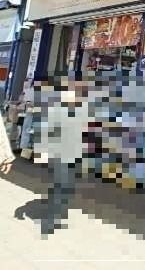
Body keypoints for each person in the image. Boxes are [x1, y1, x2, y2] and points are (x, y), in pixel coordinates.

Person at [34, 78, 92, 236]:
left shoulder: (84, 109)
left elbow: (86, 130)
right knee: (60, 186)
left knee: (67, 187)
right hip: (59, 154)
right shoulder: (57, 109)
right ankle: (49, 221)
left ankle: (58, 216)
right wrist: (42, 150)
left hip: (75, 154)